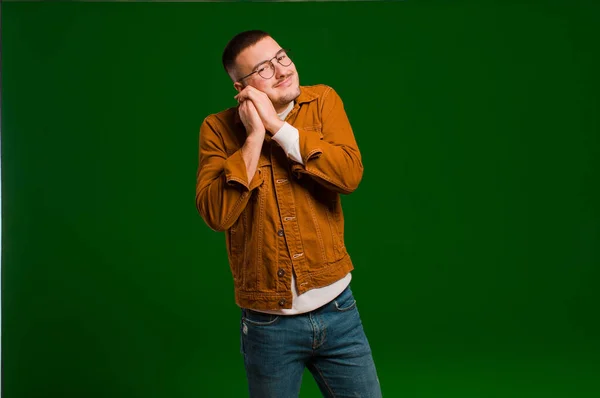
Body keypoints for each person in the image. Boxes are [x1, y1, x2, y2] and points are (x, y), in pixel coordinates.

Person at [195, 30, 382, 398]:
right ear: (240, 86)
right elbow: (217, 215)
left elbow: (348, 175)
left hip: (340, 312)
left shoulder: (323, 101)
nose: (282, 70)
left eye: (281, 56)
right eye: (264, 68)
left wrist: (279, 129)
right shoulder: (217, 129)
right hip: (268, 327)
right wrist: (253, 136)